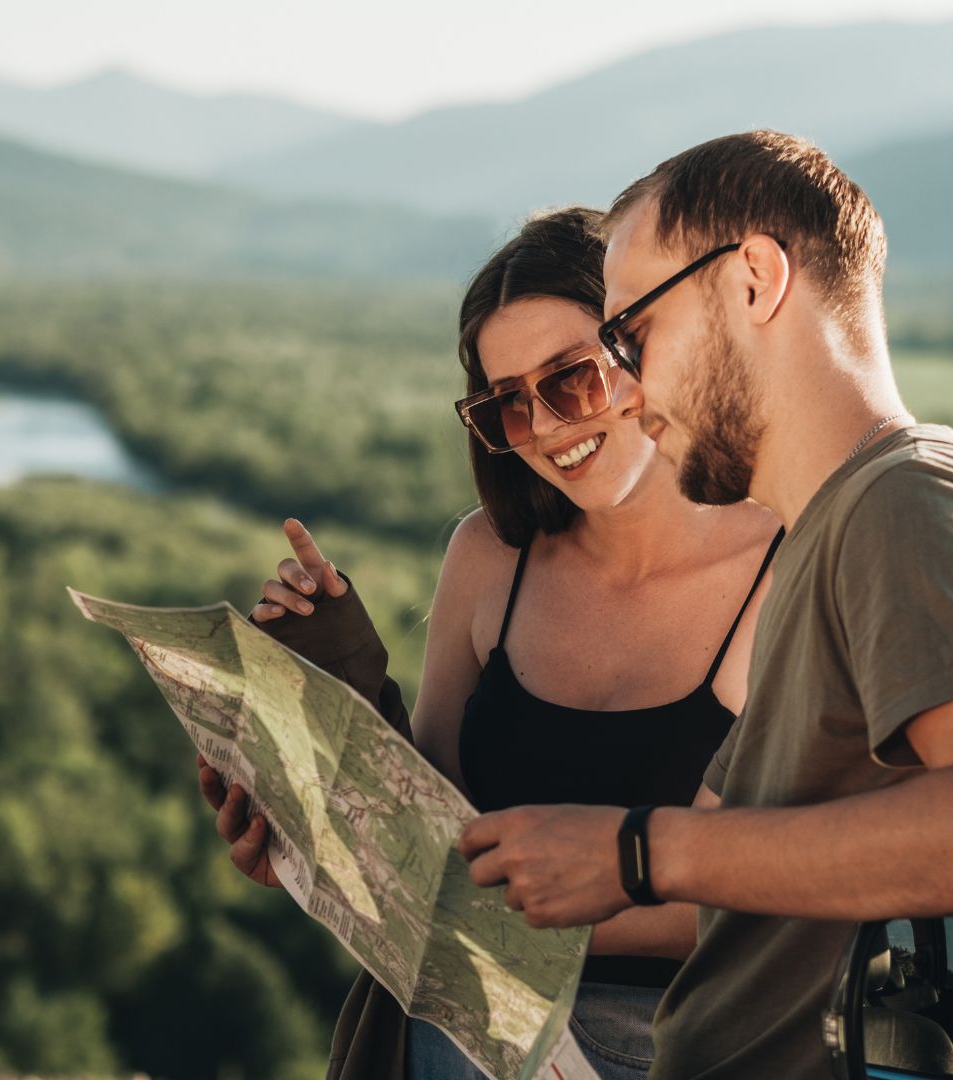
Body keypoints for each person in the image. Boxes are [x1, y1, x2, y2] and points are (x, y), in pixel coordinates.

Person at [454, 131, 953, 1078]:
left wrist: (636, 851)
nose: (625, 390)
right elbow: (769, 876)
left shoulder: (906, 503)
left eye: (632, 334)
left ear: (754, 279)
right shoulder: (837, 531)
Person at [196, 207, 785, 1080]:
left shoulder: (786, 568)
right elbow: (433, 822)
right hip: (463, 1022)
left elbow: (781, 900)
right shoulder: (489, 554)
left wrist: (479, 918)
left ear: (644, 348)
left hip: (680, 1038)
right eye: (508, 402)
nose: (546, 426)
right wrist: (316, 815)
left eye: (571, 377)